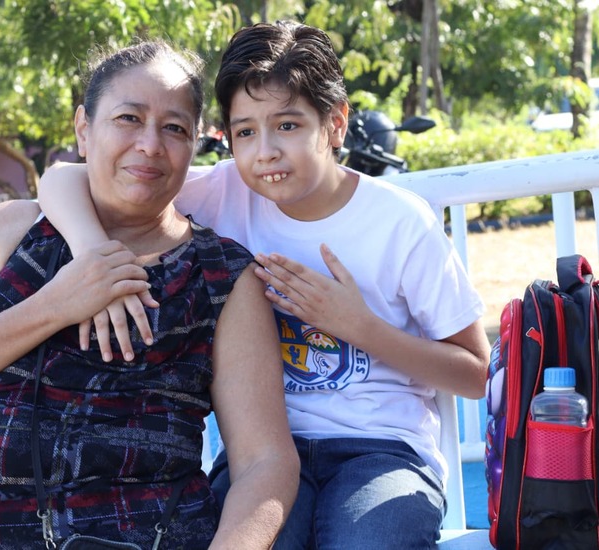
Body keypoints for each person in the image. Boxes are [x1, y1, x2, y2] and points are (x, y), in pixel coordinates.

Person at [36, 21, 492, 549]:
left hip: (381, 450)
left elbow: (476, 373)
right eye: (245, 132)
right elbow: (65, 177)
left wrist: (358, 326)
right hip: (261, 453)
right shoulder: (225, 193)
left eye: (288, 125)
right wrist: (92, 252)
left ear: (336, 123)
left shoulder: (399, 223)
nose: (265, 152)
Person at [0, 39, 298, 549]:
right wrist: (57, 303)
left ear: (195, 144)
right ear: (84, 129)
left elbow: (265, 461)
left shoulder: (222, 276)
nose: (150, 145)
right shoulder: (11, 233)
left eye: (174, 128)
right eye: (129, 118)